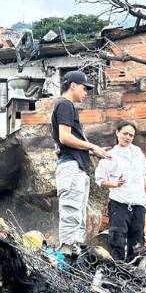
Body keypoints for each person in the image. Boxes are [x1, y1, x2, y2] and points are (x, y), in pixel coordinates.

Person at [51, 70, 111, 250]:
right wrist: (92, 147)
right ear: (73, 86)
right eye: (84, 88)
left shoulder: (65, 106)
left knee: (79, 219)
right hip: (71, 168)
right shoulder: (65, 105)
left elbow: (70, 141)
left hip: (76, 167)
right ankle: (67, 259)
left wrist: (93, 152)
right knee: (72, 217)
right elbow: (65, 138)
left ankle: (75, 259)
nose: (86, 93)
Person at [95, 121, 146, 261]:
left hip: (138, 203)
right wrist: (115, 184)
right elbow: (100, 180)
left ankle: (134, 271)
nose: (128, 137)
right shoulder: (110, 155)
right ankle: (117, 270)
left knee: (137, 239)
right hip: (120, 203)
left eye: (131, 135)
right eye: (125, 133)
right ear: (117, 132)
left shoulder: (137, 152)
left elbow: (142, 176)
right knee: (117, 238)